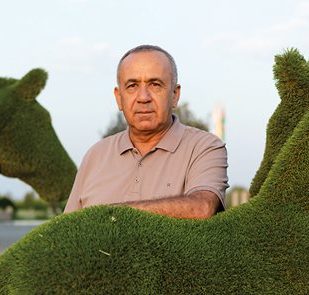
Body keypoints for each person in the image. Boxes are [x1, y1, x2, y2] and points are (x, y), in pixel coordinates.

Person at [63, 45, 229, 219]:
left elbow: (202, 208)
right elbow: (66, 231)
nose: (143, 97)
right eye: (132, 85)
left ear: (175, 95)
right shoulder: (95, 155)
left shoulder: (205, 147)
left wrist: (108, 215)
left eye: (155, 85)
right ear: (119, 98)